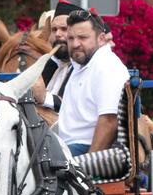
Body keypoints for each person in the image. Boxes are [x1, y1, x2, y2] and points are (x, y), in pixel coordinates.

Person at [48, 10, 129, 155]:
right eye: (71, 38)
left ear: (101, 39)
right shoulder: (83, 63)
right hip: (66, 145)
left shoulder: (106, 66)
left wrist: (88, 163)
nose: (75, 44)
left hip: (84, 150)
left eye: (82, 38)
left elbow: (109, 121)